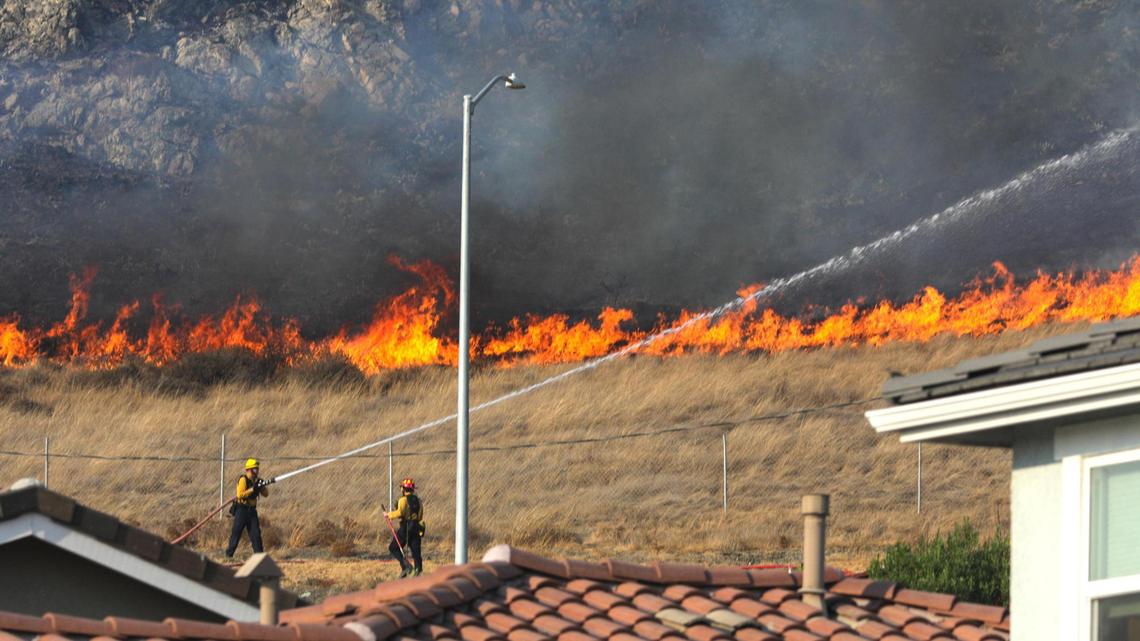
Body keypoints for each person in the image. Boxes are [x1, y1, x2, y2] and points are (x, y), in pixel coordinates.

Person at [226, 458, 271, 558]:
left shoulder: (257, 481)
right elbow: (240, 495)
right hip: (242, 509)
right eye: (254, 469)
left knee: (256, 534)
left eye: (257, 469)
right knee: (236, 533)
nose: (256, 471)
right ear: (249, 470)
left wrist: (262, 486)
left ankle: (259, 558)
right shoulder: (243, 480)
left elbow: (266, 494)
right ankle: (229, 555)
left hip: (252, 511)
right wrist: (252, 489)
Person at [387, 477, 425, 577]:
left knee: (393, 548)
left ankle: (405, 566)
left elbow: (400, 512)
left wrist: (388, 515)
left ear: (403, 489)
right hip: (416, 528)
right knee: (416, 552)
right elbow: (420, 516)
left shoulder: (402, 500)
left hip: (405, 529)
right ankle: (418, 571)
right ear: (412, 489)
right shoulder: (419, 501)